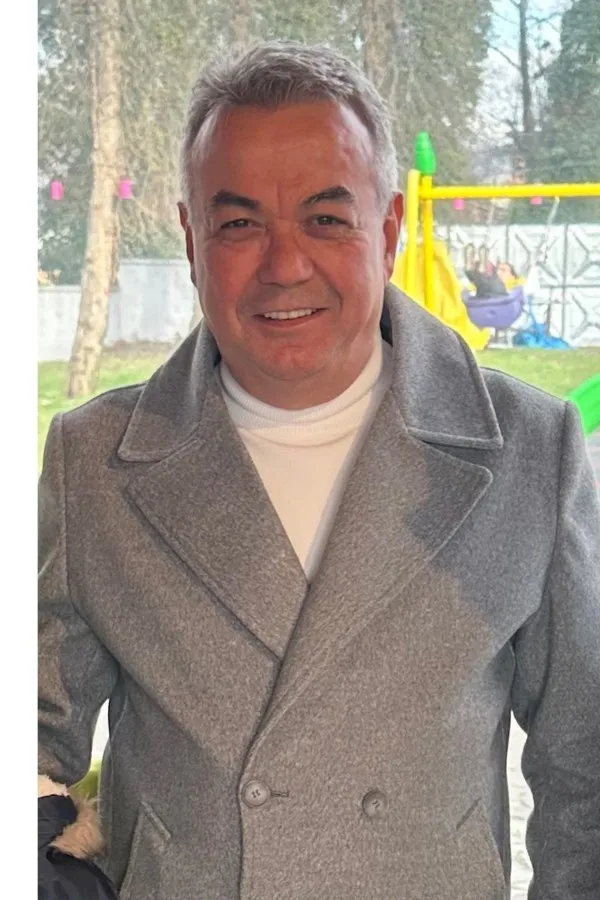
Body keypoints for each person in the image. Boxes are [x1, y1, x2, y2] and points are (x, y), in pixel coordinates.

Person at [38, 40, 600, 900]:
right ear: (191, 239)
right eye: (238, 224)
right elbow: (31, 740)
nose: (285, 265)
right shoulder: (94, 463)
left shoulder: (532, 450)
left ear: (389, 229)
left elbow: (586, 771)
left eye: (326, 219)